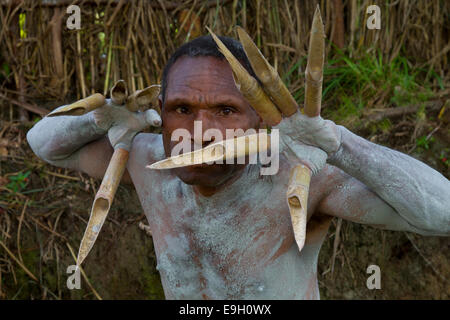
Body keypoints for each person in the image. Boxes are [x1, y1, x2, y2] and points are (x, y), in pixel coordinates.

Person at [27, 35, 450, 299]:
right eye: (182, 108)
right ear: (160, 112)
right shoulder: (147, 159)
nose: (200, 129)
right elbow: (43, 144)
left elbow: (442, 213)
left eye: (226, 110)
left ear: (260, 119)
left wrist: (338, 143)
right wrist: (100, 116)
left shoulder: (297, 176)